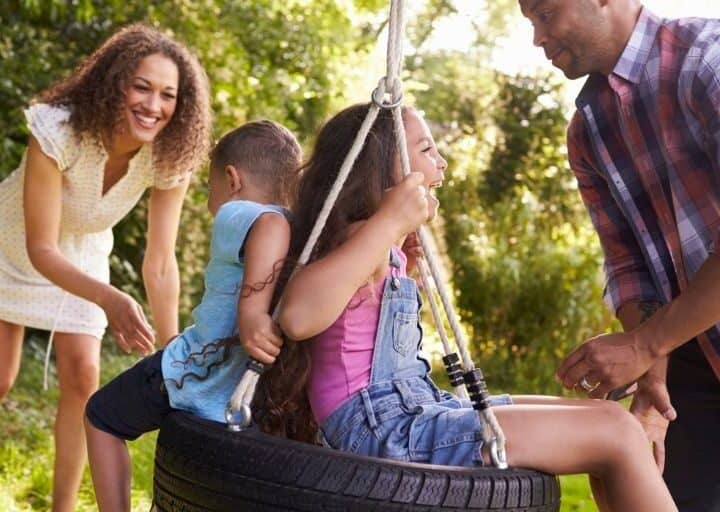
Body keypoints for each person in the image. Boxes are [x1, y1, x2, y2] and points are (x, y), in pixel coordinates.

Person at [255, 103, 677, 512]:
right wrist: (389, 223)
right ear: (381, 166)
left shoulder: (380, 244)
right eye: (426, 149)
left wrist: (404, 255)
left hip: (415, 406)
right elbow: (298, 316)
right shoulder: (359, 235)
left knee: (609, 419)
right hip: (380, 428)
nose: (441, 162)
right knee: (618, 431)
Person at [0, 24, 211, 511]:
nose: (153, 106)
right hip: (16, 243)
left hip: (84, 250)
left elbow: (160, 261)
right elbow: (40, 247)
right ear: (115, 82)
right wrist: (112, 298)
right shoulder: (59, 129)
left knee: (83, 374)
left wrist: (170, 351)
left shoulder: (167, 154)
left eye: (167, 95)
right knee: (2, 378)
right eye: (142, 87)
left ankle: (62, 508)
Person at [518, 0, 720, 508]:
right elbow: (629, 265)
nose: (537, 38)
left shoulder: (707, 59)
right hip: (691, 351)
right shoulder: (587, 130)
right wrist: (650, 377)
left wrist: (644, 346)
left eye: (544, 13)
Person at [84, 119, 301, 511]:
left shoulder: (243, 212)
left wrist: (251, 313)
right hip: (248, 395)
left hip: (188, 373)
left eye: (209, 188)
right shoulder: (304, 229)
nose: (208, 201)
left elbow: (269, 223)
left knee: (101, 416)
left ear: (233, 179)